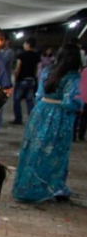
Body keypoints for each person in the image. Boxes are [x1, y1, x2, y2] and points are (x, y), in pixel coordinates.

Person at [12, 44, 83, 203]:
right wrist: (79, 106)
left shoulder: (48, 70)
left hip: (40, 111)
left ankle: (27, 185)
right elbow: (68, 102)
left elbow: (39, 95)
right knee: (55, 152)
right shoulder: (73, 76)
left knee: (34, 149)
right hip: (59, 117)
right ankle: (53, 187)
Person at [10, 37, 40, 125]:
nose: (24, 45)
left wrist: (16, 79)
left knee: (17, 100)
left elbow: (18, 68)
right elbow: (37, 69)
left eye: (24, 44)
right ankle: (32, 120)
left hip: (22, 80)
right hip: (31, 80)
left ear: (28, 45)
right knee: (29, 100)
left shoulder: (22, 55)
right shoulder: (36, 56)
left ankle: (18, 119)